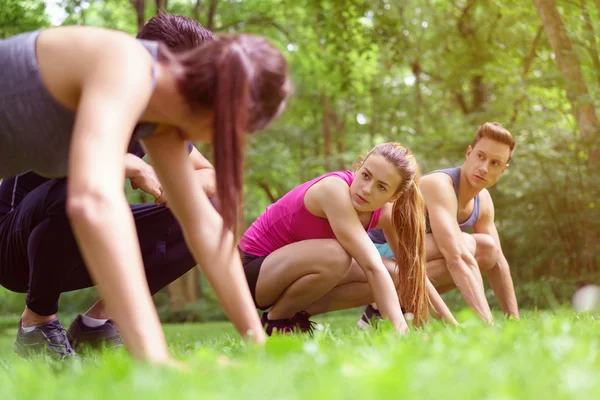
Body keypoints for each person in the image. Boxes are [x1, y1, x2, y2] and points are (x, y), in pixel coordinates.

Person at [0, 18, 291, 364]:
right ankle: (39, 326)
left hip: (40, 244)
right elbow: (92, 202)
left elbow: (203, 224)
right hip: (10, 239)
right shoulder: (124, 65)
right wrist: (156, 359)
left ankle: (96, 326)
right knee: (81, 185)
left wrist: (257, 344)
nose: (213, 140)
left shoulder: (157, 117)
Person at [238, 142, 454, 335]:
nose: (366, 189)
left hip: (288, 273)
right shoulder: (333, 190)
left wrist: (449, 324)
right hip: (251, 272)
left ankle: (296, 316)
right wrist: (401, 333)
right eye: (366, 175)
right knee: (339, 256)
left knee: (395, 273)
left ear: (394, 197)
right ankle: (277, 322)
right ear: (358, 168)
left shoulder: (385, 214)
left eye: (381, 187)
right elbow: (371, 266)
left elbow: (412, 271)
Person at [359, 123, 519, 328]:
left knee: (487, 249)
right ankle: (385, 305)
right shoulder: (440, 184)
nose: (484, 167)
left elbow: (498, 260)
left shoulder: (484, 200)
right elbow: (457, 257)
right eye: (481, 156)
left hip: (409, 261)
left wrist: (513, 320)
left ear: (503, 170)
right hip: (379, 253)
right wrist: (487, 325)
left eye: (495, 163)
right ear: (469, 153)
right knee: (466, 245)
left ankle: (385, 311)